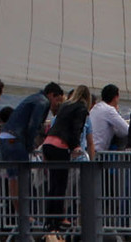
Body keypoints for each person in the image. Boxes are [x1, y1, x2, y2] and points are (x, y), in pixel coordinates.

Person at [41, 85, 92, 236]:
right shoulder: (81, 108)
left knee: (53, 184)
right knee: (60, 184)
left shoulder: (65, 106)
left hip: (48, 143)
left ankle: (49, 220)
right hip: (60, 146)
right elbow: (76, 129)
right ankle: (57, 220)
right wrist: (76, 146)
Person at [2, 82, 63, 166]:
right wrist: (30, 145)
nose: (57, 104)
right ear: (52, 95)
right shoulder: (43, 102)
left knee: (12, 171)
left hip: (6, 136)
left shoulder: (34, 98)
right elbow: (33, 124)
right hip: (16, 138)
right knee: (22, 169)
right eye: (57, 100)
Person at [89, 85, 130, 155]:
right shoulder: (109, 110)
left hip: (89, 149)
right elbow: (126, 130)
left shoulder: (96, 108)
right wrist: (116, 112)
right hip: (97, 152)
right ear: (116, 98)